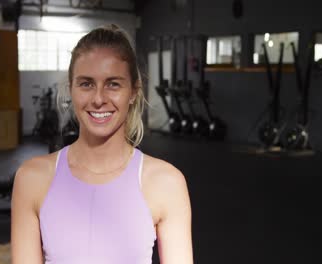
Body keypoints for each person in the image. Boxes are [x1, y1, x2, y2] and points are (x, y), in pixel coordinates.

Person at [11, 24, 193, 264]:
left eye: (113, 84)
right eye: (86, 84)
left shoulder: (166, 183)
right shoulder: (32, 179)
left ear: (134, 92)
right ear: (71, 89)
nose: (98, 99)